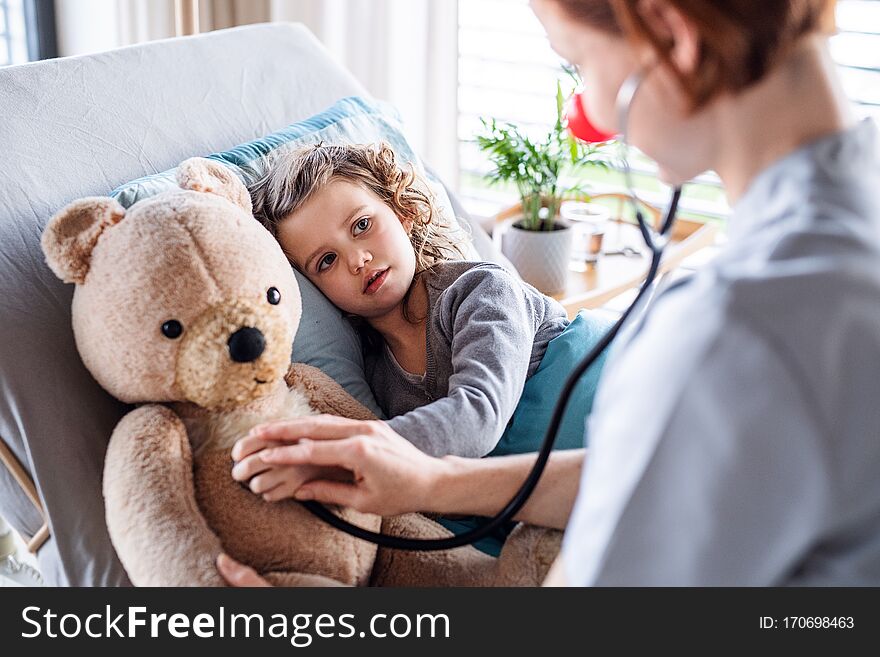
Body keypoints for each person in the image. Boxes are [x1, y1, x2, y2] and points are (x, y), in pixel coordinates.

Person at [219, 0, 880, 587]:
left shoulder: (732, 331)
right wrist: (428, 482)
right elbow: (637, 479)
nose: (589, 110)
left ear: (670, 36)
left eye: (581, 60)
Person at [234, 141, 609, 554]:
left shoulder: (482, 291)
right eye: (326, 261)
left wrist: (345, 457)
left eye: (361, 225)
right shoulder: (376, 377)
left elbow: (477, 415)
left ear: (403, 212)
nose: (357, 259)